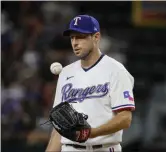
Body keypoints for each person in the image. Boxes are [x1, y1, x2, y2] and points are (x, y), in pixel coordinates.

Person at [46, 14, 135, 152]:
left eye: (80, 37)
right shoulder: (66, 73)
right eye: (72, 37)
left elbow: (125, 118)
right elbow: (60, 124)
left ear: (96, 37)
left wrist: (92, 132)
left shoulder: (116, 70)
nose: (75, 42)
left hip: (104, 148)